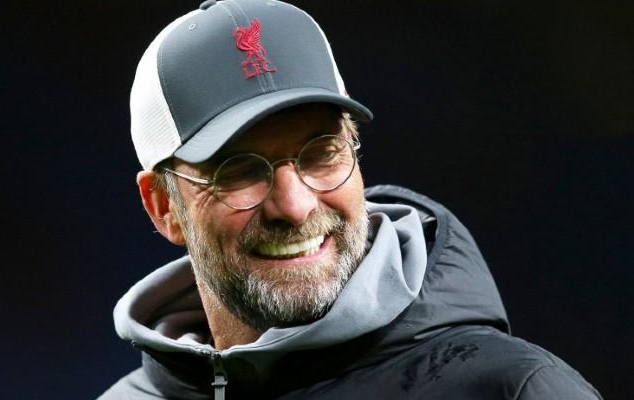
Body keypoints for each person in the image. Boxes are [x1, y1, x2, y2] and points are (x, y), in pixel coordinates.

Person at [100, 0, 603, 398]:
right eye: (239, 171)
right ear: (163, 207)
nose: (295, 206)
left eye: (322, 154)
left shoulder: (513, 389)